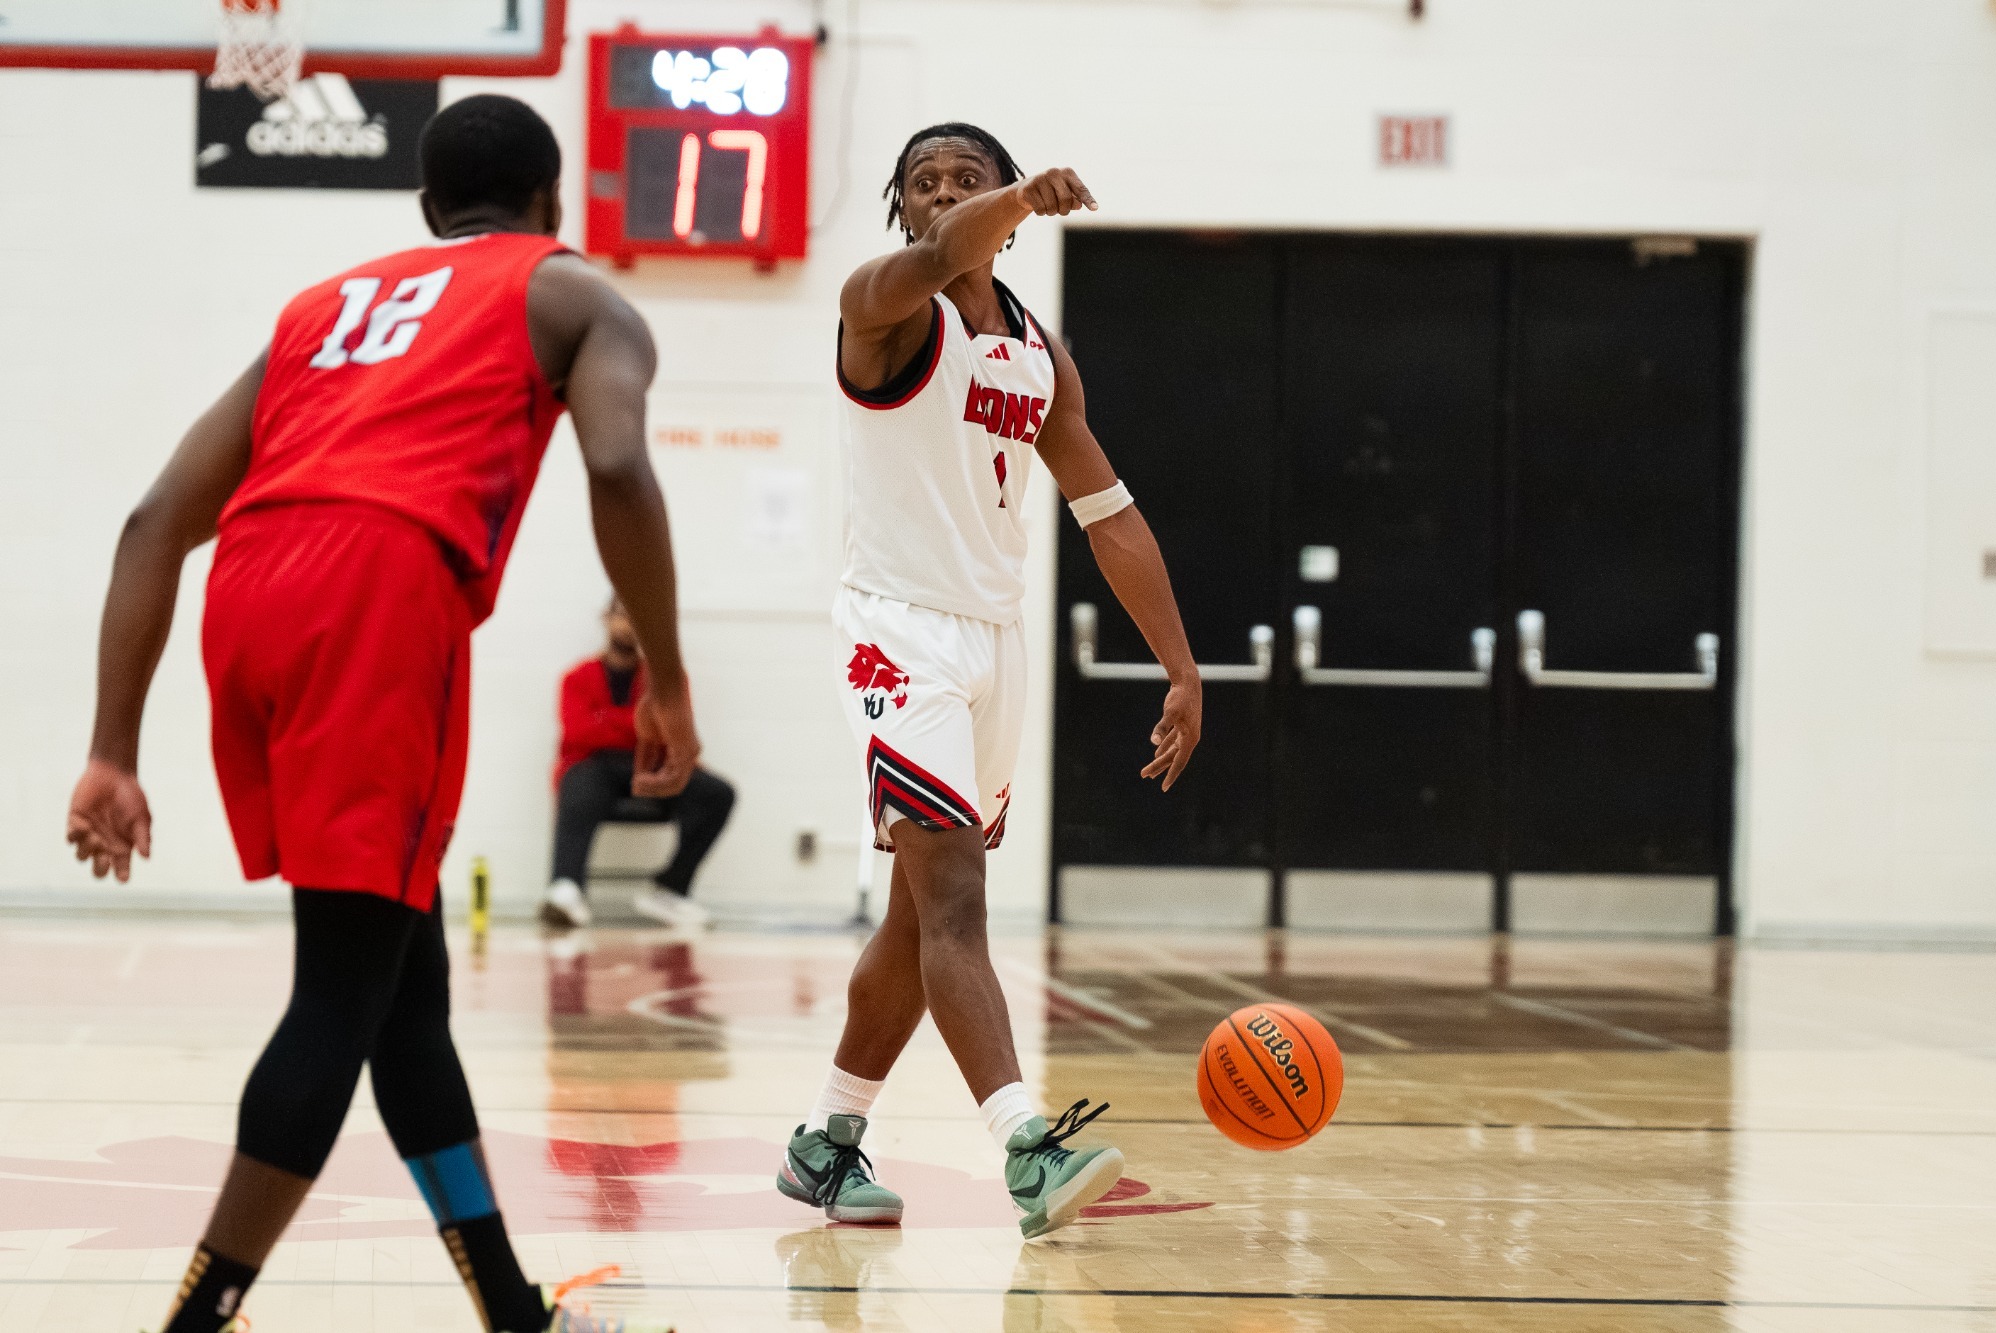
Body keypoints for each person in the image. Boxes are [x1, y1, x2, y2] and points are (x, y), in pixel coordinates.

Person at [63, 95, 694, 1333]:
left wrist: (109, 749)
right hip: (380, 596)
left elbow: (151, 525)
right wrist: (665, 677)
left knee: (406, 996)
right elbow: (617, 465)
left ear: (422, 212)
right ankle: (198, 1318)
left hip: (249, 590)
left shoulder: (319, 310)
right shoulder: (569, 292)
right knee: (340, 993)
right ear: (551, 203)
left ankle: (511, 1310)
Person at [777, 124, 1202, 1239]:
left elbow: (1105, 513)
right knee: (957, 896)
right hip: (895, 634)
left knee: (921, 912)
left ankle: (826, 1140)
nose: (947, 194)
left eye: (967, 174)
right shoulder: (876, 303)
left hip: (994, 642)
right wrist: (1010, 196)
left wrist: (1178, 664)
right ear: (903, 210)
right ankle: (1025, 1144)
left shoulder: (1037, 351)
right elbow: (941, 251)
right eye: (925, 183)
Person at [542, 597, 736, 930]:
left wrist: (607, 721)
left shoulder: (669, 680)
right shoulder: (577, 677)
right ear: (606, 618)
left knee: (718, 794)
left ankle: (671, 889)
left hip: (653, 771)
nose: (628, 624)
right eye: (622, 614)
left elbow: (672, 730)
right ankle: (566, 887)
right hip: (597, 771)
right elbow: (579, 733)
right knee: (576, 781)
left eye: (637, 616)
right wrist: (638, 724)